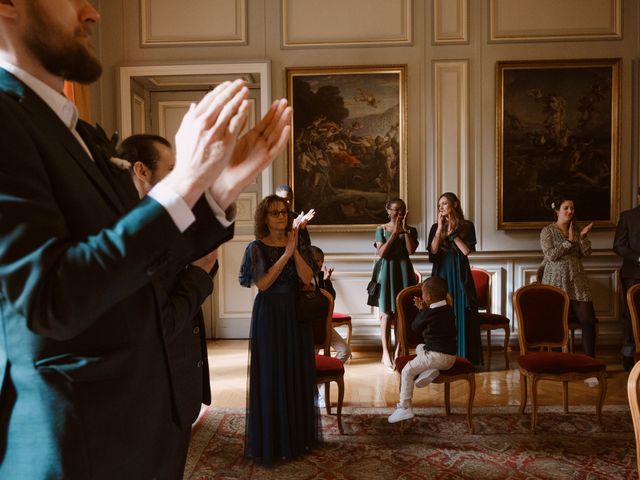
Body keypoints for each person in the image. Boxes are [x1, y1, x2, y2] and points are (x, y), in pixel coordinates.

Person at [0, 2, 291, 478]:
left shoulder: (77, 132)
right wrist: (186, 182)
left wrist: (219, 188)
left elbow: (137, 264)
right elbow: (49, 296)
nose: (92, 13)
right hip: (78, 447)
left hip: (142, 431)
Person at [116, 133, 219, 477]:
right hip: (152, 393)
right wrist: (201, 274)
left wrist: (204, 264)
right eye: (171, 168)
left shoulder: (165, 219)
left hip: (180, 384)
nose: (178, 179)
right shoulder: (127, 233)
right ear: (141, 170)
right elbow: (164, 323)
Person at [239, 195, 320, 466]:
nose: (280, 217)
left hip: (295, 315)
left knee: (295, 372)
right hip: (269, 315)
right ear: (264, 218)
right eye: (274, 213)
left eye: (283, 212)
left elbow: (307, 278)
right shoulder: (256, 248)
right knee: (272, 373)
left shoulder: (297, 241)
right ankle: (272, 441)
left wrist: (294, 248)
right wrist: (285, 254)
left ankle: (297, 439)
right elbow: (263, 284)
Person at [388, 276, 457, 423]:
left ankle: (405, 407)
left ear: (428, 296)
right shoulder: (449, 309)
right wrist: (425, 310)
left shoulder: (428, 313)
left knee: (407, 371)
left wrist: (421, 311)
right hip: (450, 358)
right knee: (420, 347)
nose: (422, 296)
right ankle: (430, 371)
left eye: (423, 293)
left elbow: (414, 327)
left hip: (436, 356)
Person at [540, 197, 598, 363]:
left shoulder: (577, 229)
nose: (570, 211)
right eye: (566, 208)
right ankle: (558, 362)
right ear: (557, 211)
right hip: (555, 280)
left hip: (577, 279)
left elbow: (585, 253)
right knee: (557, 323)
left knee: (588, 320)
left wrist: (584, 237)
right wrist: (570, 241)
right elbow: (550, 255)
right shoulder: (547, 231)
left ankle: (590, 363)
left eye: (572, 208)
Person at [428, 192, 482, 365]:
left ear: (455, 204)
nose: (441, 207)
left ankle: (464, 358)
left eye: (444, 203)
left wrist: (452, 234)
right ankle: (443, 359)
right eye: (439, 205)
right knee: (442, 315)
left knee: (461, 315)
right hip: (441, 275)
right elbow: (434, 251)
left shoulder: (467, 226)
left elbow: (466, 251)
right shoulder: (435, 227)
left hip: (460, 275)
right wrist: (439, 229)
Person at [374, 198, 419, 370]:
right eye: (395, 209)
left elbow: (410, 251)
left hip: (404, 271)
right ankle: (385, 352)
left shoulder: (411, 230)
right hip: (387, 272)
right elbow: (382, 253)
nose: (399, 213)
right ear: (388, 210)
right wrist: (394, 234)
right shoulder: (381, 229)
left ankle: (399, 350)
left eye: (402, 210)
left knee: (401, 313)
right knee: (386, 313)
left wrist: (405, 230)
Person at [309, 245, 351, 364]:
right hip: (310, 327)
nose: (321, 263)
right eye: (317, 260)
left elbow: (331, 297)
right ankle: (315, 382)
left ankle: (322, 382)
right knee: (313, 360)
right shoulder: (303, 280)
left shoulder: (321, 277)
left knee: (345, 350)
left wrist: (327, 280)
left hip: (325, 325)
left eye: (322, 260)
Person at [613, 187, 640, 371]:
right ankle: (629, 356)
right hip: (634, 274)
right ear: (639, 196)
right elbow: (618, 246)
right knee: (633, 317)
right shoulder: (628, 217)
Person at [275, 183, 314, 259]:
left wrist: (302, 228)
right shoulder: (270, 217)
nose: (289, 202)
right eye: (285, 199)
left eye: (290, 199)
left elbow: (305, 246)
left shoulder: (297, 217)